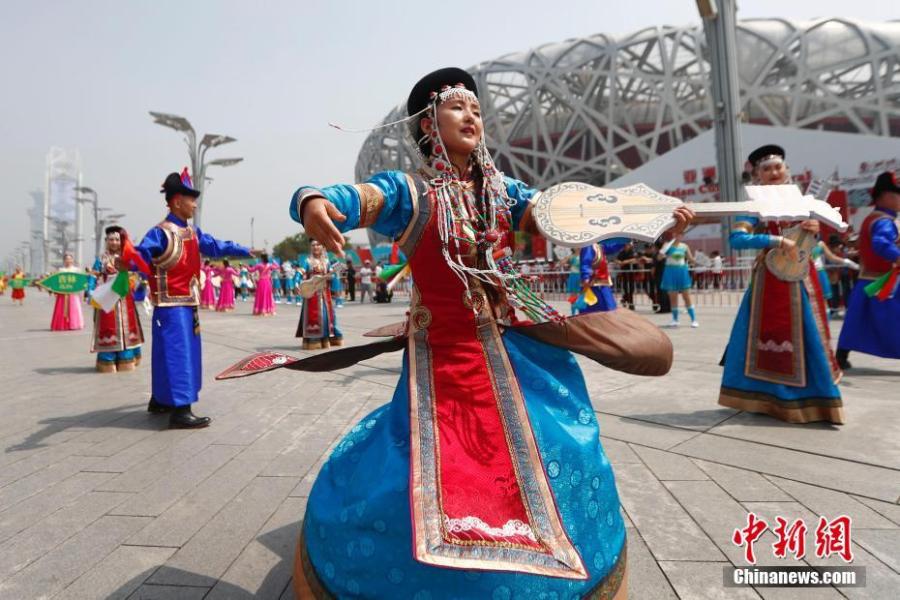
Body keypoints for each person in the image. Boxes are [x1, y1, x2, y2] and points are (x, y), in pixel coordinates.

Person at [288, 67, 692, 599]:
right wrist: (313, 202)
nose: (471, 116)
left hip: (517, 347)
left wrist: (655, 221)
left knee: (563, 447)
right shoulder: (409, 191)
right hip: (445, 361)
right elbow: (355, 197)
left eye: (477, 109)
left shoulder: (506, 192)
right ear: (429, 123)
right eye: (457, 108)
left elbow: (576, 223)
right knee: (423, 478)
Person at [718, 144, 842, 424]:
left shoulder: (804, 203)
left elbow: (811, 244)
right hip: (771, 282)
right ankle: (773, 398)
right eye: (766, 169)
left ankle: (820, 399)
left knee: (813, 335)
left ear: (787, 170)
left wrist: (812, 231)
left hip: (805, 276)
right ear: (757, 176)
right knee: (775, 335)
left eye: (778, 167)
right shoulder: (753, 206)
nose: (774, 172)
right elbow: (736, 240)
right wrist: (776, 240)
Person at [134, 169, 253, 428]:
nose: (195, 204)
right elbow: (141, 255)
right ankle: (180, 410)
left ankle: (161, 400)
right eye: (191, 199)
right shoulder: (160, 233)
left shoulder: (192, 232)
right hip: (171, 306)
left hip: (186, 303)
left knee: (167, 353)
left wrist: (245, 250)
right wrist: (129, 262)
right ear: (177, 201)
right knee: (178, 354)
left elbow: (215, 245)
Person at [836, 171, 900, 368]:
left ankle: (841, 355)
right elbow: (880, 243)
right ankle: (841, 355)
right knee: (891, 321)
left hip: (869, 280)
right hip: (882, 284)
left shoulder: (872, 218)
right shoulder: (883, 221)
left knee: (856, 319)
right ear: (886, 197)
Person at [91, 226, 145, 372]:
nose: (114, 242)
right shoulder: (101, 259)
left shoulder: (127, 257)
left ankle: (126, 356)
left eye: (117, 239)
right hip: (107, 299)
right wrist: (90, 291)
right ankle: (107, 359)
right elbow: (92, 276)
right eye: (111, 239)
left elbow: (138, 273)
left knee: (127, 326)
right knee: (108, 328)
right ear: (106, 241)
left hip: (125, 299)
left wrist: (137, 282)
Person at [296, 239, 343, 349]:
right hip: (311, 295)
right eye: (313, 245)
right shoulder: (307, 261)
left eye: (318, 244)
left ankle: (327, 338)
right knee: (313, 317)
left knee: (328, 317)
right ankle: (314, 340)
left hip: (325, 294)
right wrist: (296, 284)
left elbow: (334, 274)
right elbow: (299, 273)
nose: (315, 247)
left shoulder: (326, 261)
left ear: (322, 247)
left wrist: (335, 284)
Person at [660, 234, 698, 328]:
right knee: (673, 297)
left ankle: (694, 320)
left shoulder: (685, 246)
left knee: (687, 297)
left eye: (680, 234)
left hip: (682, 271)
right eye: (676, 234)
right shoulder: (667, 245)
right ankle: (675, 320)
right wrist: (663, 251)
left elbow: (691, 259)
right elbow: (659, 258)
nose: (678, 236)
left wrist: (698, 261)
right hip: (670, 272)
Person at [576, 242, 618, 313]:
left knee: (607, 308)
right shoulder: (588, 246)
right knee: (601, 309)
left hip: (601, 284)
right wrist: (586, 277)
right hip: (594, 285)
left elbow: (612, 248)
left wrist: (624, 241)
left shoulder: (599, 246)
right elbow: (585, 262)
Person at [50, 253, 85, 331]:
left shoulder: (76, 270)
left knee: (74, 308)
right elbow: (56, 282)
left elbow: (80, 281)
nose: (68, 260)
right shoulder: (60, 270)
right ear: (64, 261)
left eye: (70, 259)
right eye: (66, 259)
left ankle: (74, 324)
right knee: (61, 309)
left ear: (72, 260)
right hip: (63, 293)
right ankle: (62, 324)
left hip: (73, 293)